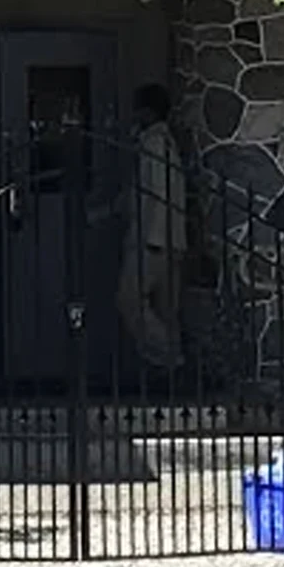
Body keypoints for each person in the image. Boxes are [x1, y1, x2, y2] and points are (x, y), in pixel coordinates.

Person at [117, 84, 189, 374]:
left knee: (129, 300)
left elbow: (159, 192)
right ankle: (168, 372)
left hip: (154, 241)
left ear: (147, 111)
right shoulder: (163, 142)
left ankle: (172, 354)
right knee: (165, 310)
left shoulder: (155, 143)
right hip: (172, 240)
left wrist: (154, 237)